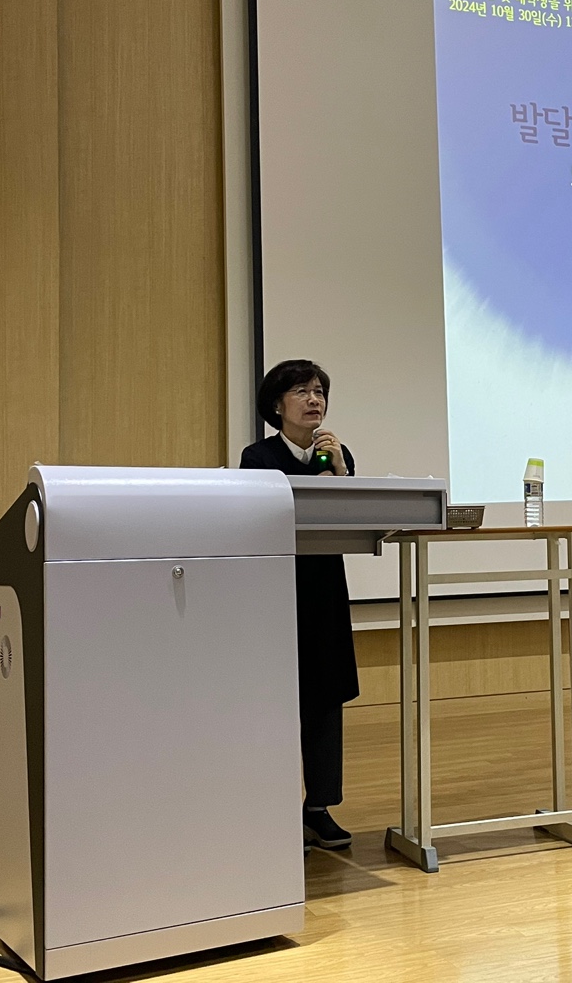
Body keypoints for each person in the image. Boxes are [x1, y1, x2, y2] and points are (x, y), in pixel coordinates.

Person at [239, 359, 357, 851]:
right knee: (279, 700)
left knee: (324, 700)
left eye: (319, 392)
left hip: (325, 591)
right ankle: (275, 808)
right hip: (277, 593)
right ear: (276, 405)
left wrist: (342, 472)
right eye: (302, 392)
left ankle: (318, 808)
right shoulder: (258, 458)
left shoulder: (337, 455)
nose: (314, 401)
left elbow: (350, 519)